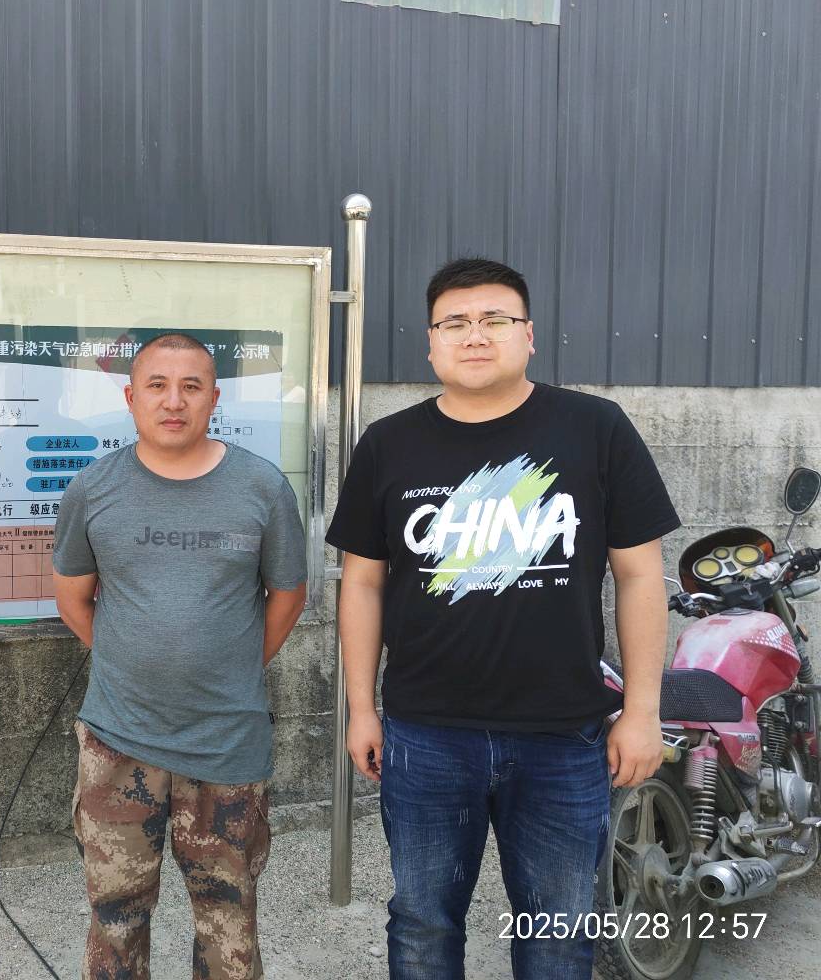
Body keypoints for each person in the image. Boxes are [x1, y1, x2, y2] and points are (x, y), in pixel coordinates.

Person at [328, 257, 677, 979]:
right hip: (425, 732)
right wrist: (361, 709)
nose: (475, 334)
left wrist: (643, 710)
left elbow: (641, 573)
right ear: (430, 343)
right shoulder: (389, 444)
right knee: (422, 923)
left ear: (530, 335)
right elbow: (361, 583)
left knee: (560, 930)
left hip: (563, 733)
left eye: (495, 319)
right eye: (455, 322)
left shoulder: (595, 428)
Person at [51, 331, 308, 980]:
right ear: (130, 398)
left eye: (191, 387)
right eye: (158, 386)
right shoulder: (93, 488)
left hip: (227, 744)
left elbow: (288, 596)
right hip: (118, 742)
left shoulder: (262, 487)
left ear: (214, 399)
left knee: (228, 922)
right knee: (115, 920)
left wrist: (232, 667)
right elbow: (73, 599)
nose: (174, 401)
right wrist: (128, 660)